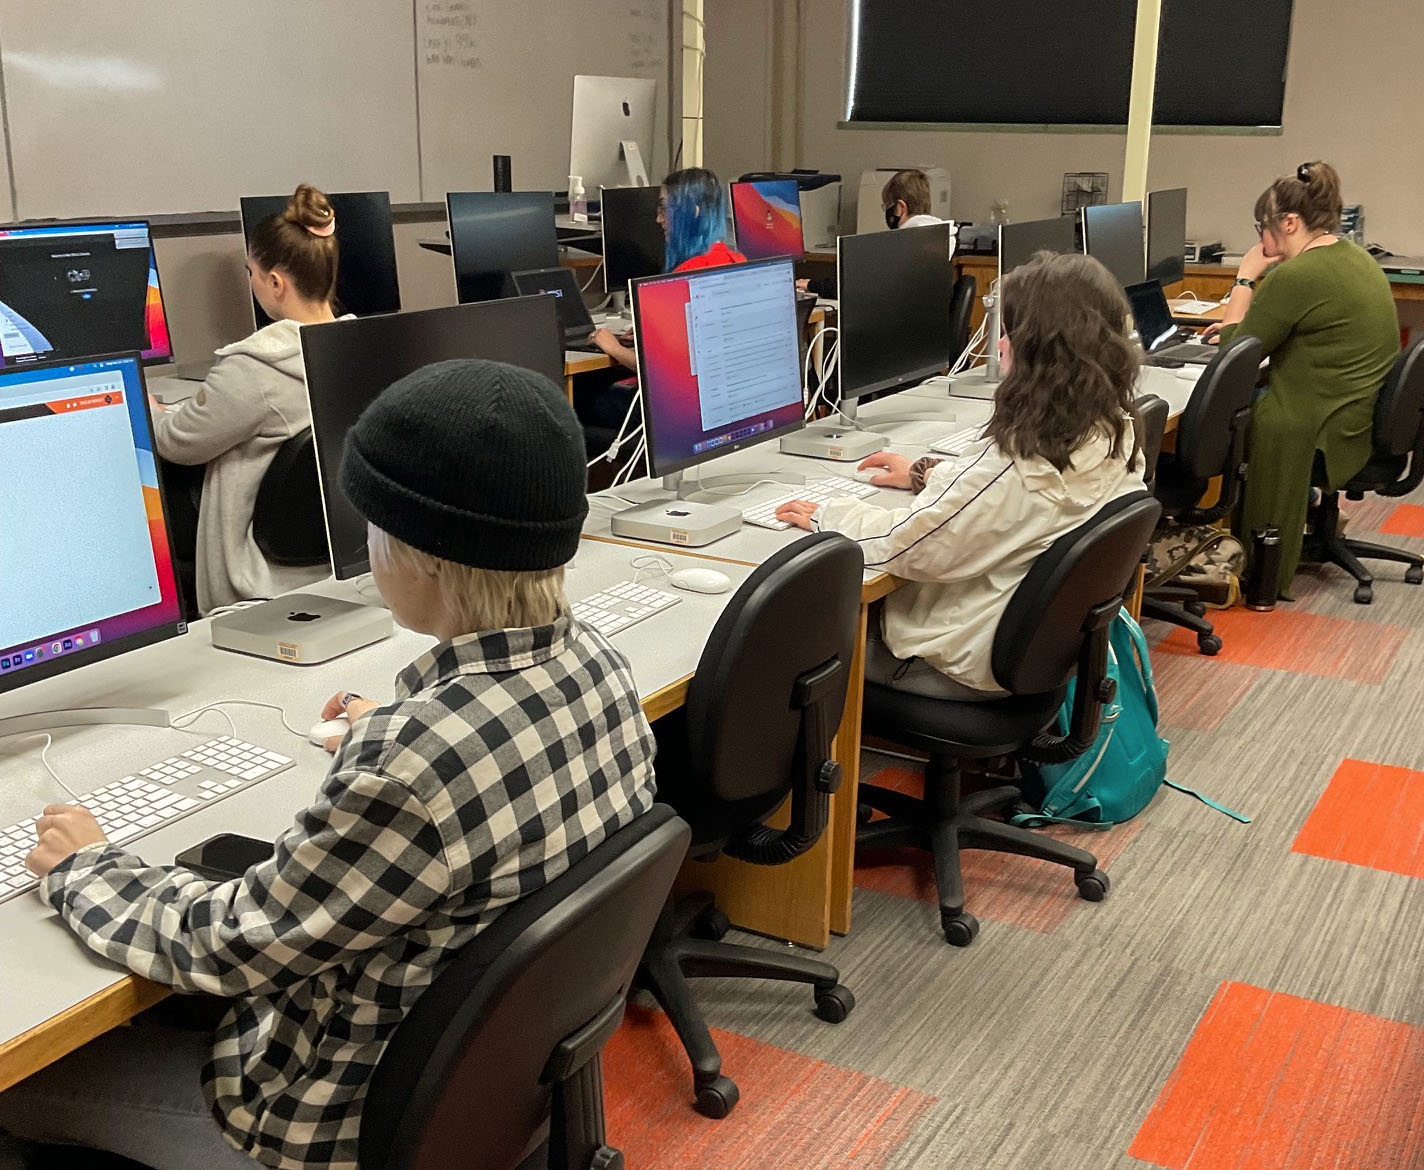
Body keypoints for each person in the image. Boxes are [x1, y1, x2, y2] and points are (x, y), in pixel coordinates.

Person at [0, 359, 658, 1170]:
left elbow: (228, 947)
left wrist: (83, 868)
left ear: (425, 557)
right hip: (489, 1094)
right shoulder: (594, 663)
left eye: (372, 525)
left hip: (324, 1126)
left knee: (22, 1088)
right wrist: (403, 731)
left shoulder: (413, 767)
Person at [775, 252, 1146, 699]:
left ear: (1041, 351)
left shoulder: (1022, 464)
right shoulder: (1112, 429)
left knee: (790, 642)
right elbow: (997, 503)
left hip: (957, 657)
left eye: (1009, 332)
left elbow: (903, 546)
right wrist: (926, 473)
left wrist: (827, 517)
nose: (1001, 343)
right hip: (1042, 654)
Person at [152, 184, 348, 615]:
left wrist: (151, 410)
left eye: (251, 272)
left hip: (258, 585)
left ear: (275, 282)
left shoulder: (254, 368)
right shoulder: (356, 349)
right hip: (331, 568)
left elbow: (178, 443)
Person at [1206, 161, 1399, 599]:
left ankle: (1252, 560)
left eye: (1263, 227)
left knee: (1224, 416)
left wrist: (1244, 276)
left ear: (1289, 223)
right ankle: (1299, 508)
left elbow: (1231, 358)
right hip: (1353, 416)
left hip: (1317, 428)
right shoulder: (1353, 256)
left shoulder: (1295, 275)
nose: (1261, 240)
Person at [590, 167, 746, 373]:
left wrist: (613, 347)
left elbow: (658, 370)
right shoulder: (737, 261)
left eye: (664, 209)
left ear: (693, 212)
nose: (659, 219)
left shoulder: (685, 277)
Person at [797, 168, 956, 298]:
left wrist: (812, 285)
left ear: (900, 207)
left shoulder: (905, 243)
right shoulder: (941, 238)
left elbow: (855, 288)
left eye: (887, 206)